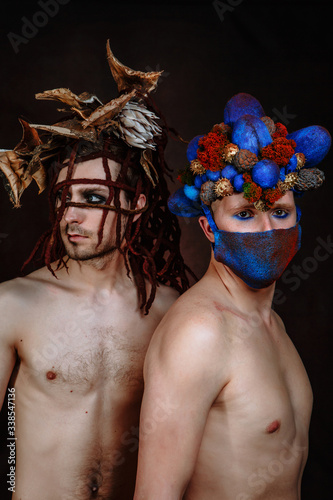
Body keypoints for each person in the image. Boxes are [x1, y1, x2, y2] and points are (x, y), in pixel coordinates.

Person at [0, 41, 190, 499]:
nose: (71, 216)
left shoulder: (173, 312)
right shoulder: (13, 304)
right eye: (64, 199)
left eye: (92, 199)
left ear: (137, 206)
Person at [134, 93, 331, 500]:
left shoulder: (270, 323)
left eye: (281, 211)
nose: (267, 228)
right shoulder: (200, 332)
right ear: (209, 229)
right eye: (244, 214)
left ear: (298, 218)